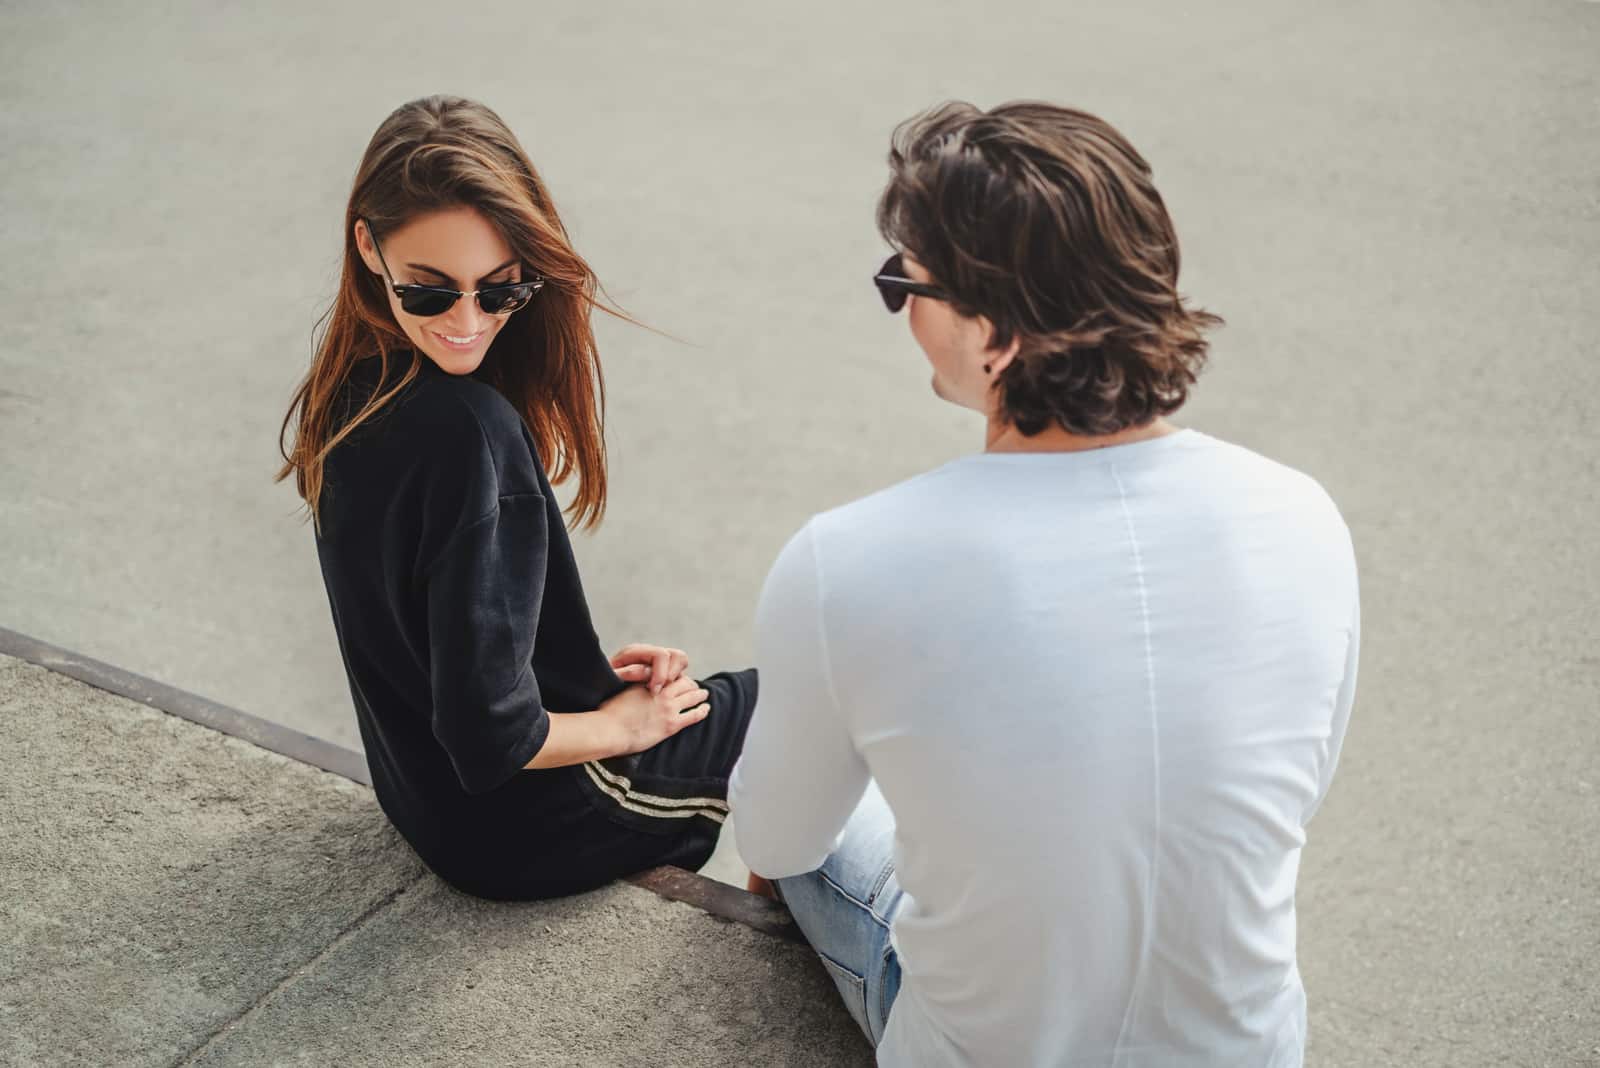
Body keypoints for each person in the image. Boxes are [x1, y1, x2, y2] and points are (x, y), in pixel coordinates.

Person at [729, 100, 1360, 1067]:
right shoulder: (1301, 514)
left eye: (906, 285)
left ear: (991, 331)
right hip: (1247, 1050)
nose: (902, 311)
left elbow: (776, 838)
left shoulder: (848, 559)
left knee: (808, 782)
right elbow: (1282, 792)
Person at [277, 95, 757, 901]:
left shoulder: (348, 391)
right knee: (800, 703)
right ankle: (802, 931)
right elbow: (490, 736)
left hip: (429, 809)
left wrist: (571, 671)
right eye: (430, 292)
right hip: (531, 826)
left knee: (699, 699)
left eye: (501, 291)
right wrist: (620, 725)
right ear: (367, 243)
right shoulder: (470, 432)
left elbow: (434, 640)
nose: (467, 322)